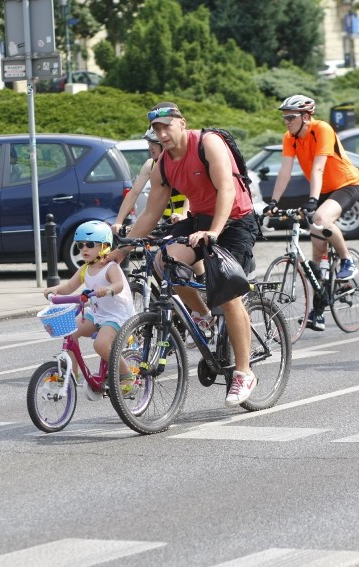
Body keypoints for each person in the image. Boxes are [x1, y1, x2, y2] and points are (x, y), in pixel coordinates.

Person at [104, 101, 259, 407]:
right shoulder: (162, 164)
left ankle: (244, 372)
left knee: (228, 296)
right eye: (156, 129)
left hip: (236, 219)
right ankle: (201, 315)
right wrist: (121, 251)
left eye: (166, 126)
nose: (161, 134)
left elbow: (226, 189)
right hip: (201, 220)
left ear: (182, 123)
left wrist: (213, 232)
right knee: (164, 262)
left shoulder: (208, 143)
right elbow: (151, 212)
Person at [265, 94, 359, 332]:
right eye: (284, 118)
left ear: (306, 116)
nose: (286, 121)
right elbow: (285, 173)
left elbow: (318, 167)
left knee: (321, 218)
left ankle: (347, 260)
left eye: (291, 117)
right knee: (317, 253)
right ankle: (318, 313)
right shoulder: (290, 138)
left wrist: (312, 200)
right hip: (322, 189)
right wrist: (273, 202)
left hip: (345, 184)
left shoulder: (322, 130)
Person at [43, 221, 137, 388]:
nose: (84, 249)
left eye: (90, 245)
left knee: (100, 345)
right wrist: (54, 290)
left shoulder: (110, 267)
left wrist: (107, 289)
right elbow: (69, 286)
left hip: (117, 316)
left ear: (105, 246)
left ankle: (127, 375)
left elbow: (119, 285)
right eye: (80, 245)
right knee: (70, 331)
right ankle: (73, 374)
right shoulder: (85, 269)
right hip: (97, 313)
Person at [111, 128, 187, 235]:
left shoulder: (180, 164)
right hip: (167, 222)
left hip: (188, 218)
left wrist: (184, 214)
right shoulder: (150, 165)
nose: (149, 147)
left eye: (154, 144)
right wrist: (118, 221)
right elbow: (133, 193)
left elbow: (193, 194)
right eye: (149, 143)